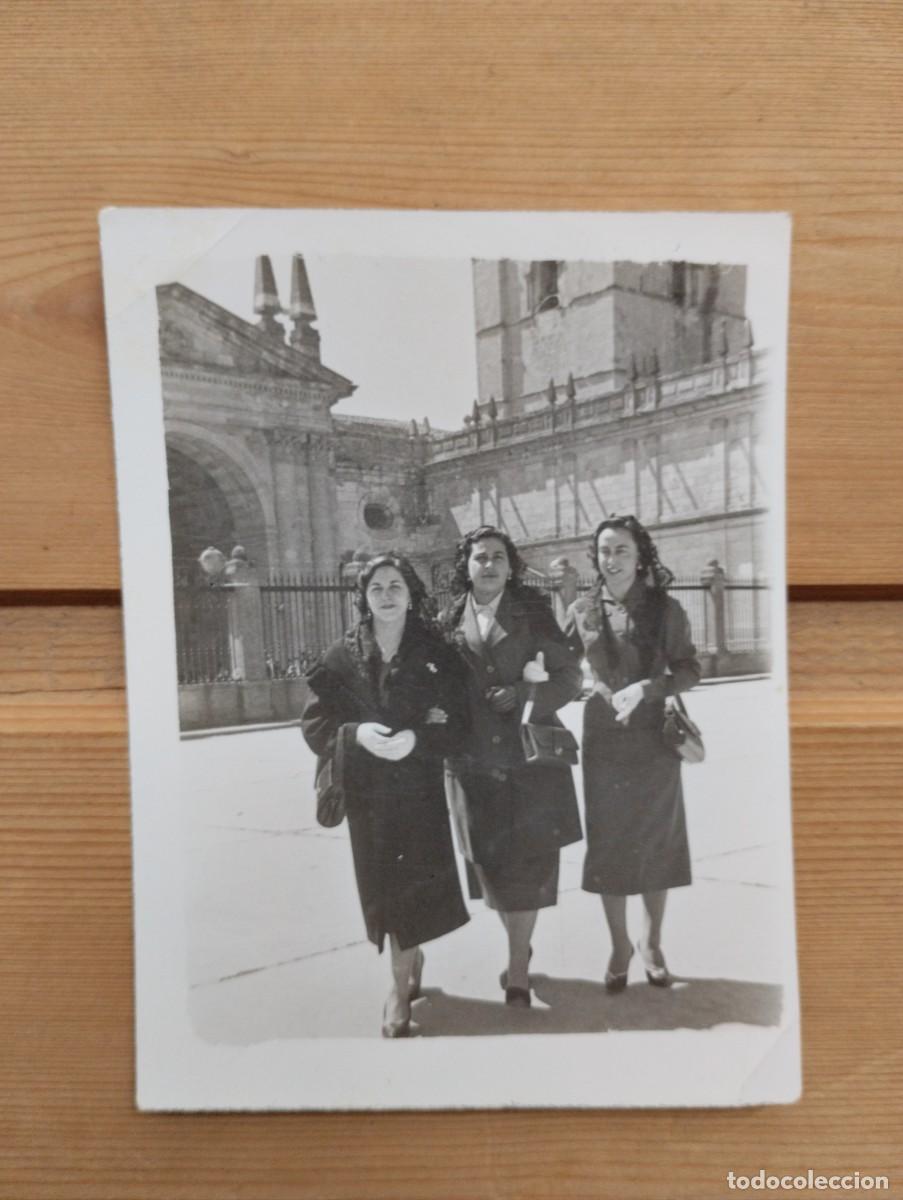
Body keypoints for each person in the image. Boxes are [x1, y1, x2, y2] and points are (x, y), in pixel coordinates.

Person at [301, 552, 469, 1038]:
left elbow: (460, 719)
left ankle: (401, 980)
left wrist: (421, 737)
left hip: (419, 789)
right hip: (369, 796)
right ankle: (402, 975)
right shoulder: (340, 655)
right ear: (364, 597)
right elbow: (315, 722)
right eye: (377, 588)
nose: (387, 595)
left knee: (414, 885)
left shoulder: (438, 651)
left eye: (396, 586)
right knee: (384, 888)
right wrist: (355, 735)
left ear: (412, 594)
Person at [440, 526, 583, 1008]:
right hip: (473, 761)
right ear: (465, 566)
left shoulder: (533, 612)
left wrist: (523, 694)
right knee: (491, 869)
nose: (489, 565)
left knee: (530, 864)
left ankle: (518, 966)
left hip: (528, 759)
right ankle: (520, 944)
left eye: (498, 557)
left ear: (510, 565)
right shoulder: (446, 619)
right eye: (480, 557)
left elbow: (570, 676)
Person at [565, 516, 701, 992]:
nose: (612, 560)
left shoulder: (666, 610)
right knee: (609, 842)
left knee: (656, 839)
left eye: (622, 550)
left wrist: (647, 687)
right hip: (603, 738)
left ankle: (652, 941)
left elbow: (689, 670)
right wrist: (579, 682)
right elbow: (561, 667)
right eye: (604, 551)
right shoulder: (581, 609)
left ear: (639, 556)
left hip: (652, 738)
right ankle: (619, 944)